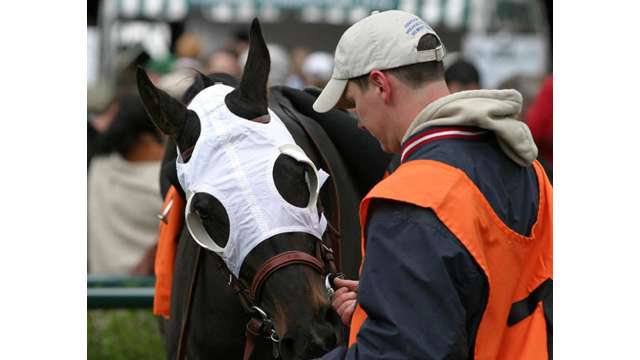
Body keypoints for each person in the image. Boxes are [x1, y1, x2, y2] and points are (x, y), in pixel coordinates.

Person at [312, 10, 553, 359]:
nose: (358, 122)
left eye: (352, 102)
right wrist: (389, 299)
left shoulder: (412, 200)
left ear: (380, 85)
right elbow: (494, 293)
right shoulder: (525, 163)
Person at [88, 95, 166, 274]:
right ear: (145, 141)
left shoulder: (98, 168)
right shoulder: (163, 182)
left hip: (98, 290)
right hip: (147, 292)